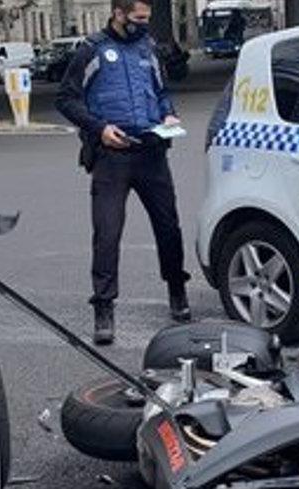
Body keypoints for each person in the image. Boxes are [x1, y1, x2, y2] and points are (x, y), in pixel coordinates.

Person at [56, 0, 191, 346]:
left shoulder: (148, 49)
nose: (144, 24)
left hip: (151, 153)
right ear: (118, 14)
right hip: (111, 157)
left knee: (168, 227)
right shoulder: (92, 51)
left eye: (147, 18)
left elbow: (161, 93)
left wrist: (169, 114)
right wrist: (98, 128)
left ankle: (177, 291)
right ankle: (104, 308)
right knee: (107, 234)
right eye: (138, 18)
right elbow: (67, 99)